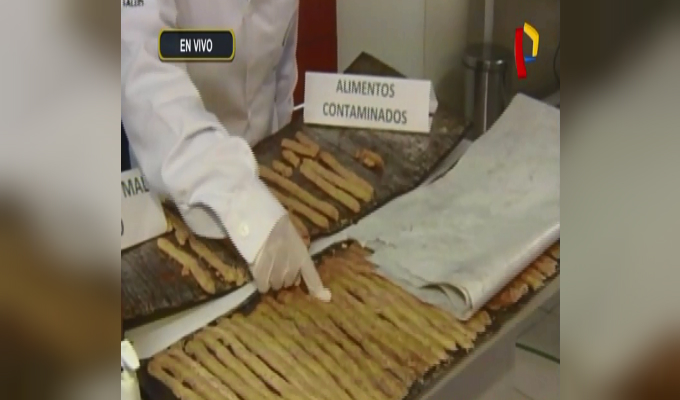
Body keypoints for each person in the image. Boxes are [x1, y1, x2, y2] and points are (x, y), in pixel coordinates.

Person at [121, 0, 330, 301]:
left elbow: (281, 67)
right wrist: (243, 205)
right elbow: (146, 77)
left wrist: (279, 170)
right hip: (178, 184)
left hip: (267, 187)